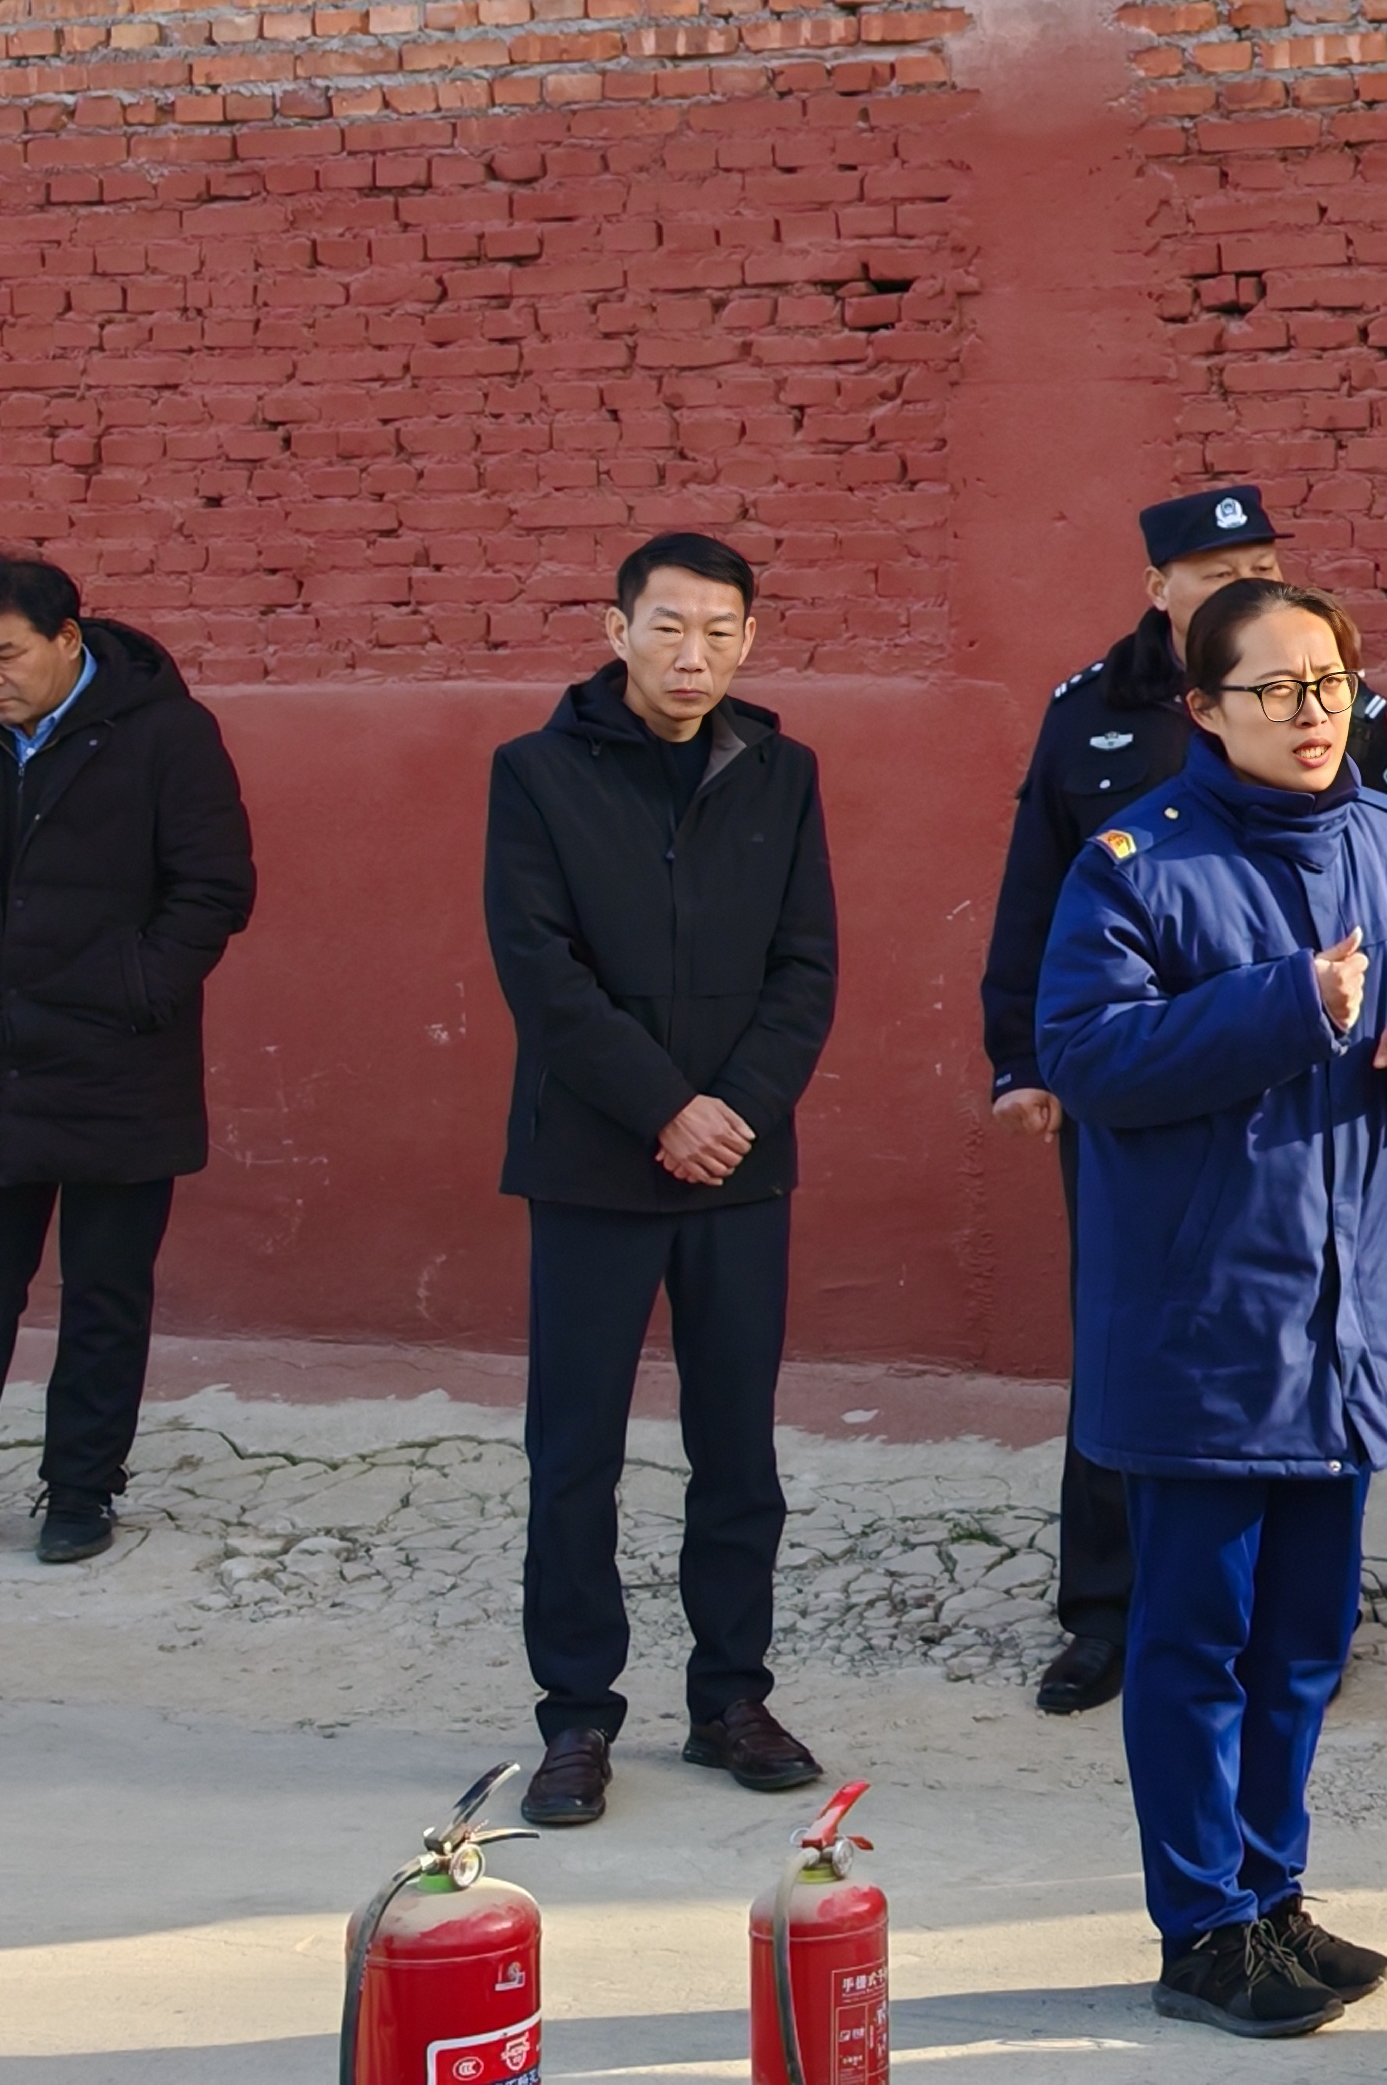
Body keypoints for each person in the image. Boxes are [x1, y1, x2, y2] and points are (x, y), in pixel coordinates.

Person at [1035, 578, 1387, 2040]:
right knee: (1193, 1645)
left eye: (1333, 684)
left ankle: (1271, 1894)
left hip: (1347, 1323)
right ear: (1204, 710)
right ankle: (1201, 1927)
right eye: (1276, 691)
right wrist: (1291, 1005)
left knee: (1304, 1642)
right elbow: (1086, 1055)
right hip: (1206, 1327)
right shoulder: (1138, 862)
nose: (1313, 715)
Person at [976, 481, 1387, 1718]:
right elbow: (1035, 887)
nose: (1243, 587)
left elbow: (1382, 869)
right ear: (1157, 590)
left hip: (1301, 1090)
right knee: (1128, 1338)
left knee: (1305, 1337)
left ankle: (1297, 1609)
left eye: (1260, 565)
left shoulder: (1339, 703)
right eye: (1216, 575)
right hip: (1138, 1084)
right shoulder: (1091, 713)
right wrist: (1019, 1057)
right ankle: (1106, 1609)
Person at [483, 533, 837, 1830]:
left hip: (738, 1165)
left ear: (749, 639)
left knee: (736, 1449)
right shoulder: (535, 774)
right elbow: (541, 969)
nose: (696, 655)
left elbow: (808, 965)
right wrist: (663, 1107)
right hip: (593, 1159)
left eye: (721, 631)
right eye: (671, 627)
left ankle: (730, 1697)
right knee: (575, 1451)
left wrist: (732, 1110)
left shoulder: (781, 772)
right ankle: (577, 1716)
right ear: (617, 628)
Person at [0, 552, 258, 1565]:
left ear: (66, 640)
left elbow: (215, 887)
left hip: (118, 1064)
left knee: (104, 1294)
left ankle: (82, 1490)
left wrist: (137, 989)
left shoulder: (167, 735)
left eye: (5, 656)